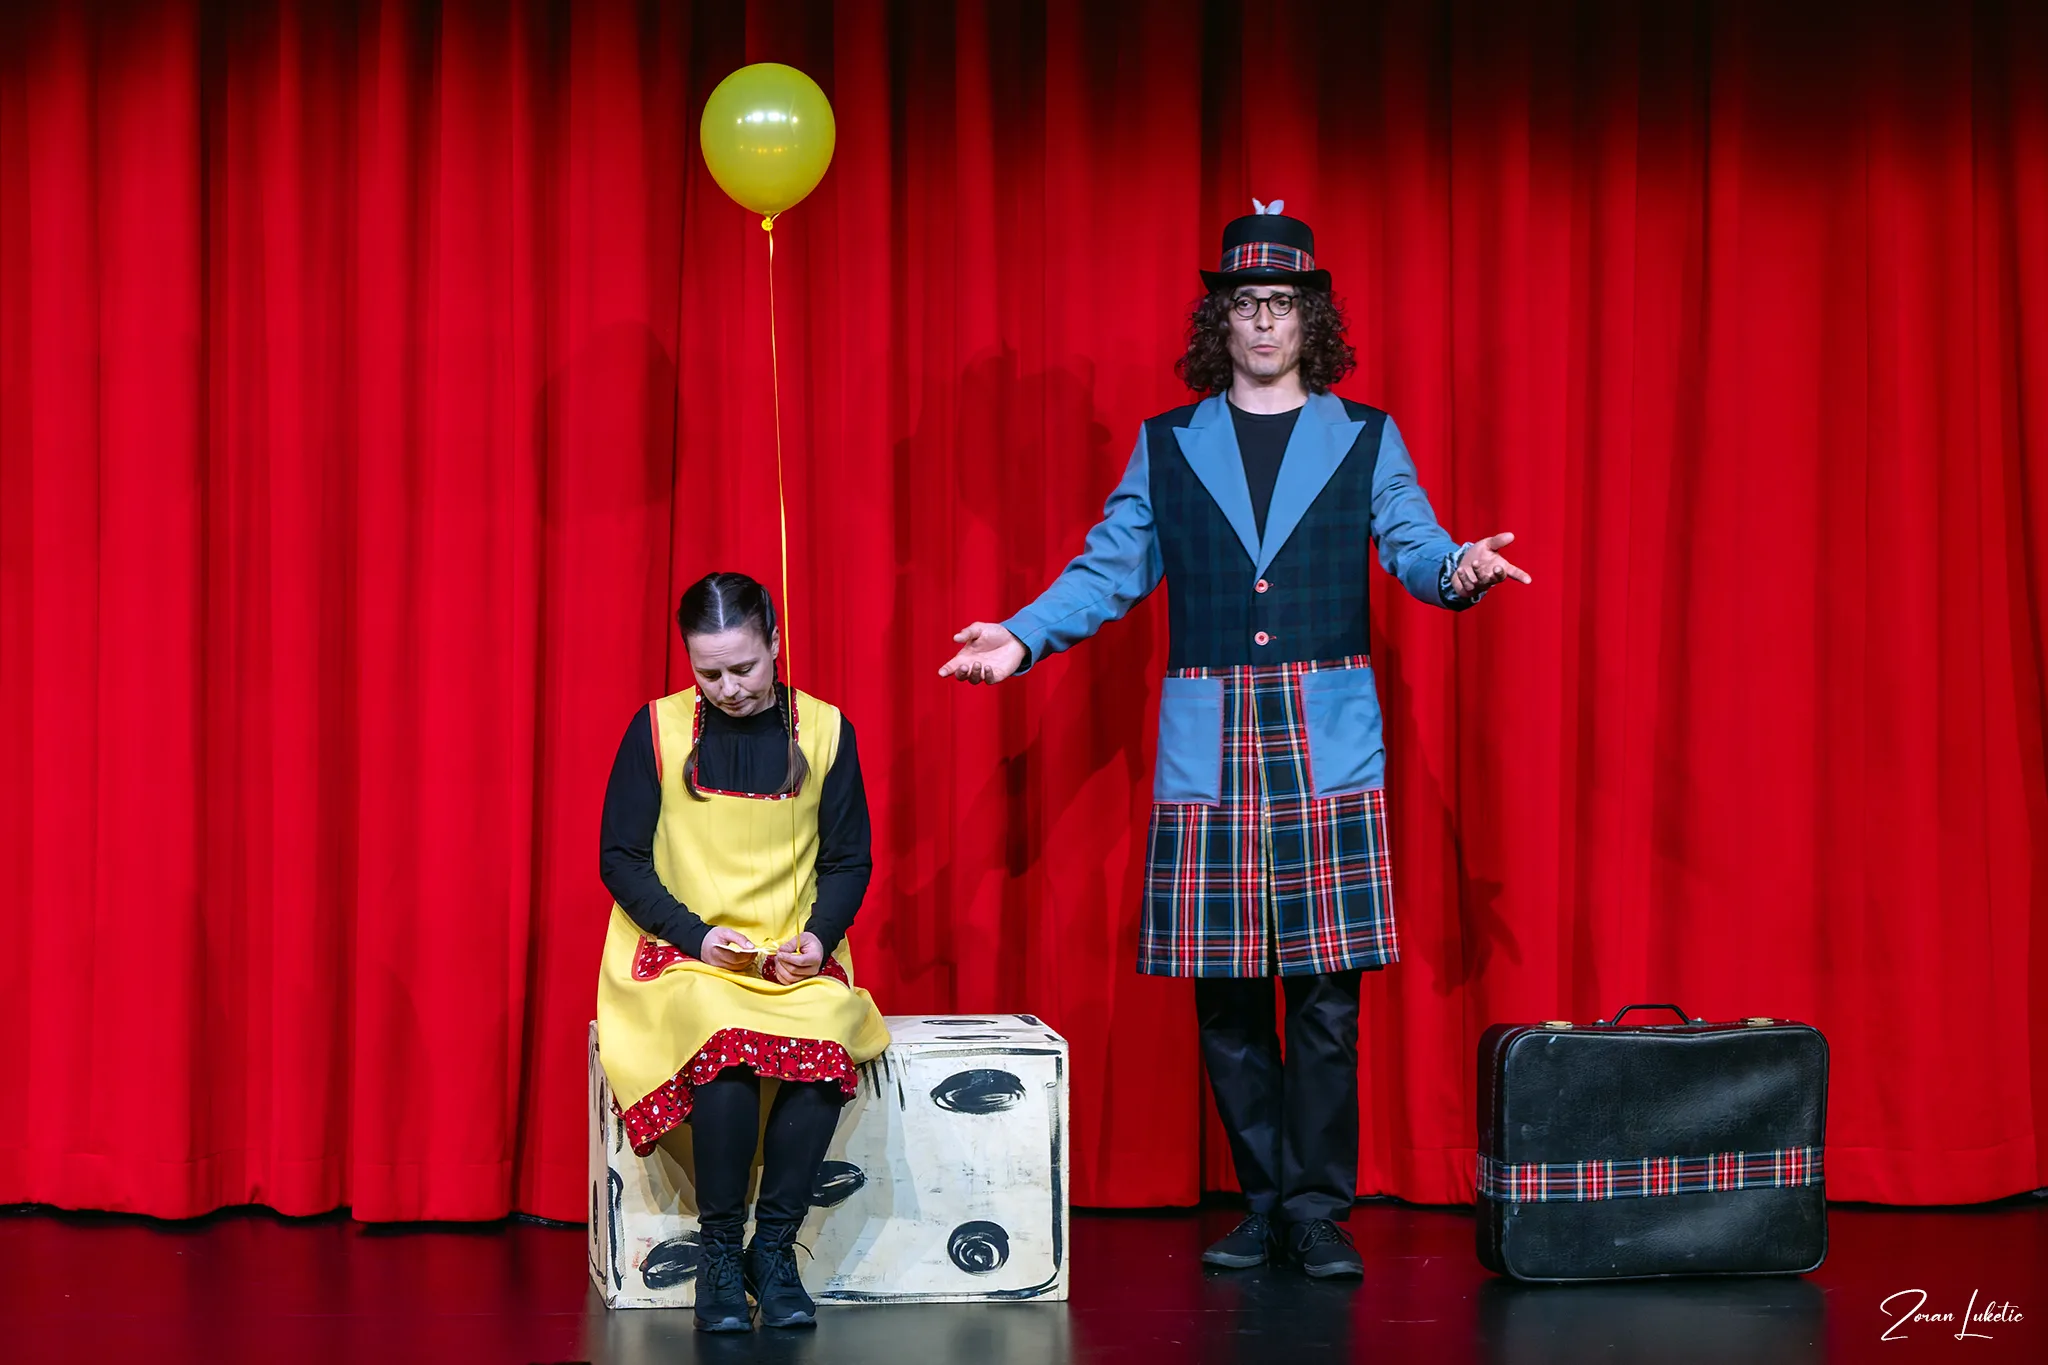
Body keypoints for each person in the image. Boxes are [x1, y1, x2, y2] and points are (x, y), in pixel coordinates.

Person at [938, 204, 1528, 1278]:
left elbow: (1413, 539)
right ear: (1222, 320)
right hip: (1210, 736)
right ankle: (1262, 1201)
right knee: (1226, 998)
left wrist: (1457, 571)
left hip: (1321, 736)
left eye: (1282, 304)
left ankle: (1316, 1210)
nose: (1263, 321)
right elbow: (1109, 567)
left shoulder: (1365, 436)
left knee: (1325, 998)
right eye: (1246, 303)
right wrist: (1020, 636)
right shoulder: (1167, 444)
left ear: (1310, 321)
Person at [596, 571, 890, 1332]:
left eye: (745, 668)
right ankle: (721, 1251)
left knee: (825, 1042)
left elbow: (848, 860)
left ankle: (775, 1249)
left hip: (788, 956)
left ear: (776, 644)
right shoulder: (656, 729)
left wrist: (818, 938)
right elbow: (621, 858)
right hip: (682, 954)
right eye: (710, 673)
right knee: (722, 1042)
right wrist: (697, 936)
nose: (729, 688)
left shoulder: (826, 729)